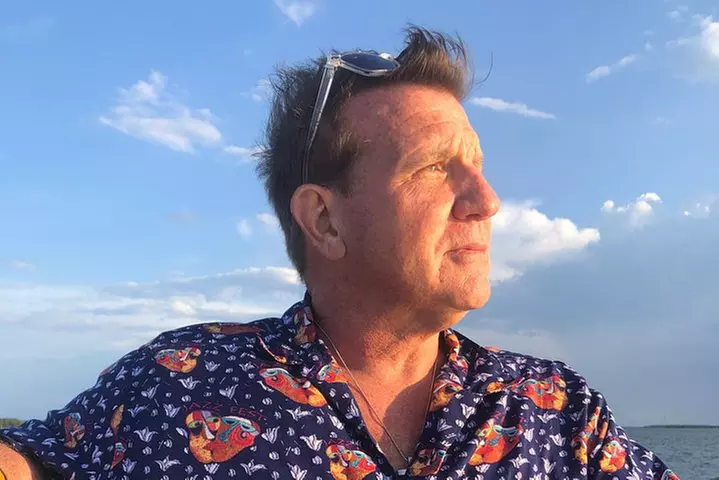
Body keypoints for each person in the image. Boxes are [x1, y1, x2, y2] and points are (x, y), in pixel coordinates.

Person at [0, 26, 678, 480]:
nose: (487, 200)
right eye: (434, 168)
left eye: (477, 166)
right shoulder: (176, 383)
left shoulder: (557, 411)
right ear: (323, 220)